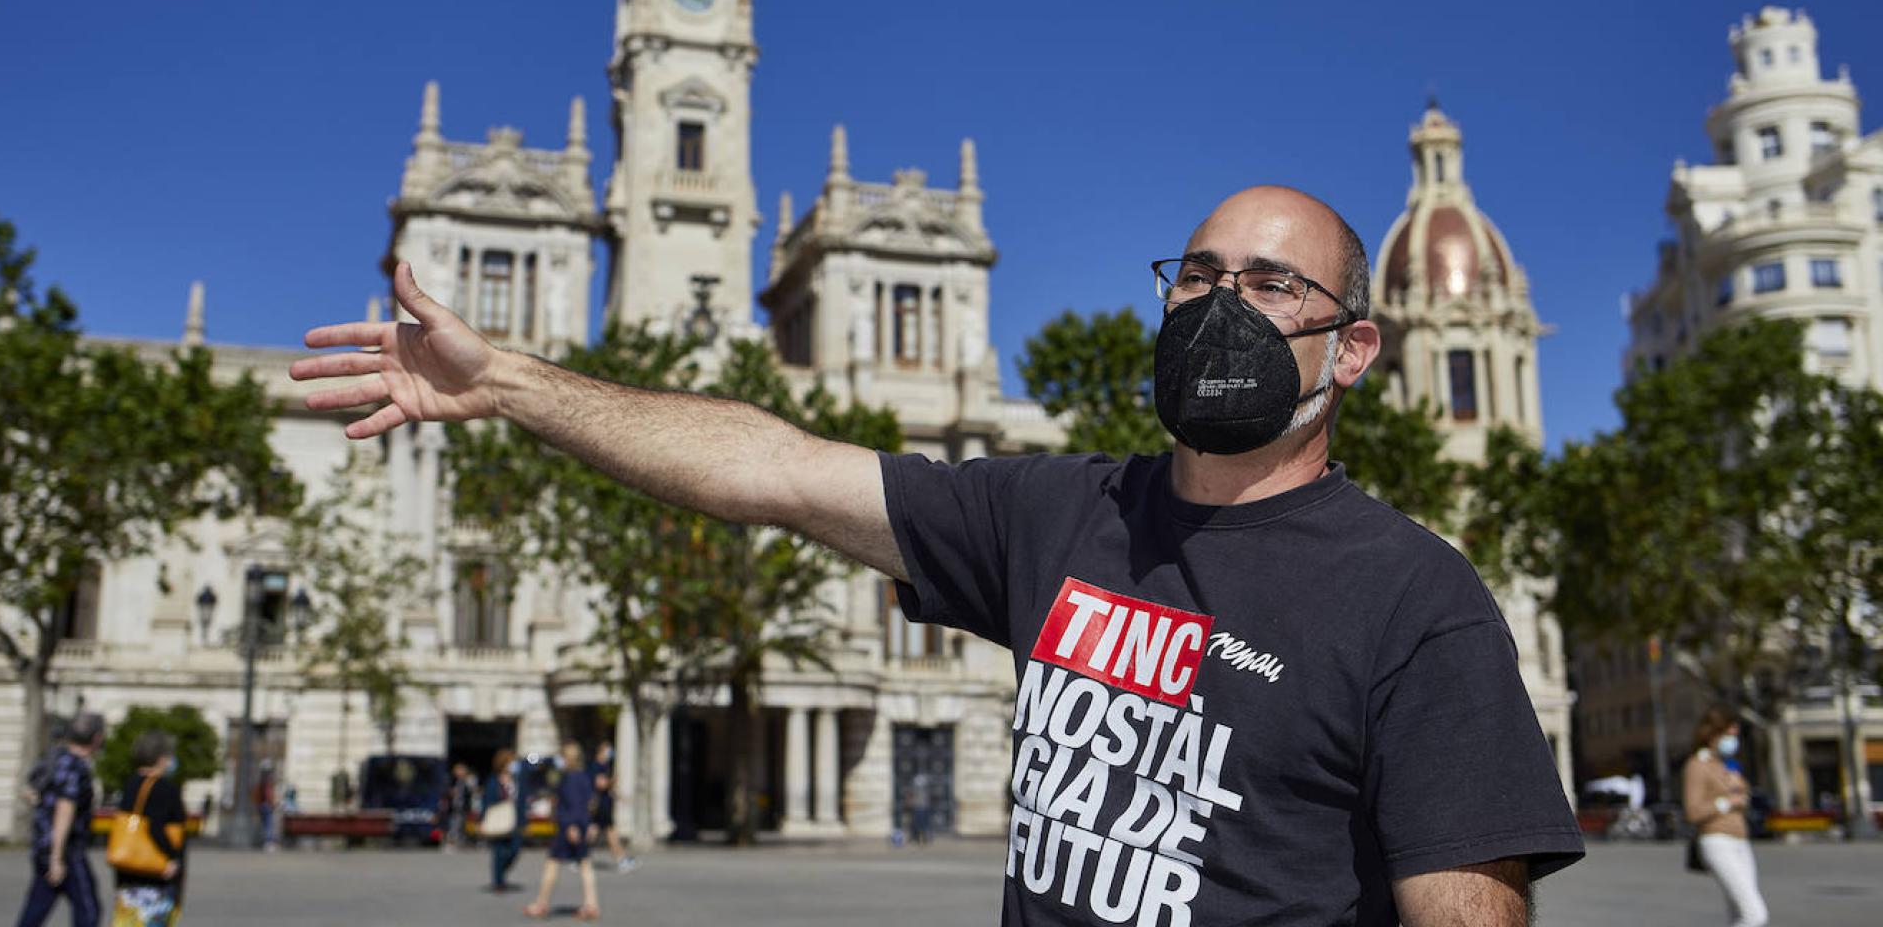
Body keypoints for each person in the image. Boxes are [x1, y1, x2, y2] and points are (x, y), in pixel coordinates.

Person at [293, 185, 1586, 926]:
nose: (1218, 308)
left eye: (1269, 287)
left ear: (1353, 348)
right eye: (1196, 278)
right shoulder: (1060, 517)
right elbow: (774, 466)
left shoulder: (1420, 599)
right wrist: (509, 384)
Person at [16, 710, 105, 927]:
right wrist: (57, 857)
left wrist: (42, 804)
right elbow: (65, 808)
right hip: (67, 850)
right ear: (96, 738)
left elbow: (29, 790)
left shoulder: (54, 758)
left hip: (42, 847)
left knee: (37, 908)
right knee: (88, 910)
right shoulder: (77, 767)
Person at [1683, 708, 1768, 927]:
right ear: (1712, 734)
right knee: (1754, 914)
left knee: (1738, 914)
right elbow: (1692, 812)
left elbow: (1743, 799)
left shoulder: (1726, 765)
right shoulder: (1697, 765)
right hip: (1717, 841)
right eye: (1729, 735)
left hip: (1741, 840)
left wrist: (1740, 793)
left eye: (1735, 735)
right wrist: (1726, 802)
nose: (1733, 740)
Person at [110, 730, 188, 927]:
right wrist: (171, 858)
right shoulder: (164, 788)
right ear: (161, 759)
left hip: (128, 870)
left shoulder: (131, 784)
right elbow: (155, 827)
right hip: (155, 873)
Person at [524, 742, 598, 921]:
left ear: (568, 758)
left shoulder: (569, 778)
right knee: (585, 865)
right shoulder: (584, 777)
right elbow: (590, 802)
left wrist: (571, 825)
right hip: (582, 824)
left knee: (552, 863)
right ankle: (591, 904)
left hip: (568, 826)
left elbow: (571, 804)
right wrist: (589, 824)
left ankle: (541, 903)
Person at [585, 742, 635, 872]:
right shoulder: (597, 766)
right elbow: (600, 784)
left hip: (603, 803)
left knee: (595, 831)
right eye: (607, 750)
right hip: (600, 804)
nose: (609, 753)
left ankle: (579, 855)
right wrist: (613, 780)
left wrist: (622, 798)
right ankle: (621, 859)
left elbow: (609, 789)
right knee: (610, 832)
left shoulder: (604, 766)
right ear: (601, 751)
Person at [482, 748, 524, 894]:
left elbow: (522, 801)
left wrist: (524, 821)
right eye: (511, 762)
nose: (514, 765)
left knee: (515, 849)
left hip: (514, 820)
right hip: (498, 820)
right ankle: (498, 881)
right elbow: (487, 802)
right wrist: (483, 820)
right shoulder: (493, 781)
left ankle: (502, 870)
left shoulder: (517, 780)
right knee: (498, 851)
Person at [444, 762, 477, 852]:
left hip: (463, 807)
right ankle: (451, 842)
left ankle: (460, 842)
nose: (460, 772)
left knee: (462, 825)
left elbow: (471, 792)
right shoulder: (451, 780)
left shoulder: (468, 780)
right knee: (453, 824)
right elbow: (445, 791)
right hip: (453, 806)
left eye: (462, 770)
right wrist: (450, 792)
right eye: (458, 770)